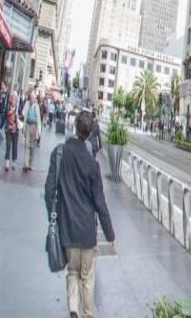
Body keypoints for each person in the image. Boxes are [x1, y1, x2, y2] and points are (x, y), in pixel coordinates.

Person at [45, 110, 115, 318]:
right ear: (90, 132)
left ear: (75, 127)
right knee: (87, 277)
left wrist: (54, 216)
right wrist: (110, 235)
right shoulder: (92, 165)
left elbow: (49, 192)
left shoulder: (60, 153)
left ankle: (73, 309)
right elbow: (100, 203)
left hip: (67, 229)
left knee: (72, 273)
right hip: (86, 232)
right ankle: (88, 313)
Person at [22, 92, 40, 172]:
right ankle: (26, 164)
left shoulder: (37, 106)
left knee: (32, 146)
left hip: (34, 127)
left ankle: (30, 164)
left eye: (33, 98)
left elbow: (39, 119)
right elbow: (23, 112)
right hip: (27, 125)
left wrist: (39, 131)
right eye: (31, 97)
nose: (32, 99)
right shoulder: (27, 104)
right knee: (27, 144)